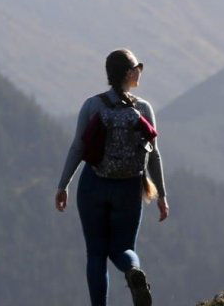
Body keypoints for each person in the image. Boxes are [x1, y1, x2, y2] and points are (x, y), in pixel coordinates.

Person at [56, 49, 169, 306]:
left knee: (96, 254)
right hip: (129, 188)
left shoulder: (92, 105)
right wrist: (162, 194)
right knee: (123, 249)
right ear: (129, 73)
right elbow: (154, 155)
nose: (140, 71)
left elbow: (78, 148)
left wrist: (63, 185)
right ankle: (132, 272)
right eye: (137, 67)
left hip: (93, 185)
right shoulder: (143, 109)